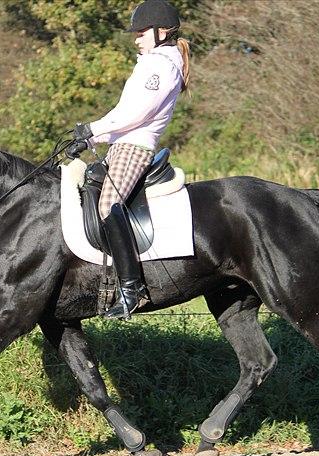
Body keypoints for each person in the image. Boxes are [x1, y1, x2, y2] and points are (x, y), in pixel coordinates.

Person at [67, 0, 191, 319]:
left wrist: (92, 129)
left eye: (140, 32)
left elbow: (137, 115)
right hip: (123, 144)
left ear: (161, 31)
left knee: (108, 206)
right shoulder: (152, 61)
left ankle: (132, 288)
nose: (136, 38)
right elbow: (121, 115)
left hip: (135, 147)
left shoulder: (162, 65)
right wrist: (89, 138)